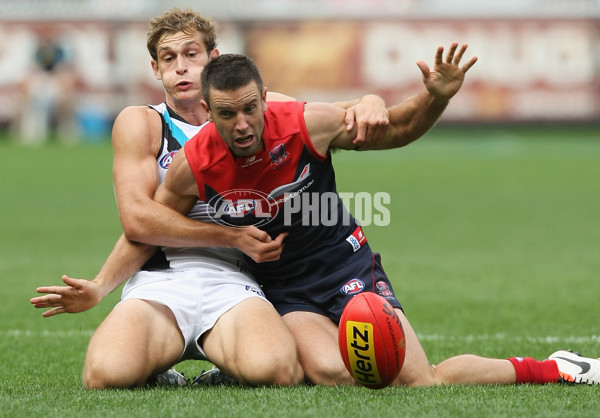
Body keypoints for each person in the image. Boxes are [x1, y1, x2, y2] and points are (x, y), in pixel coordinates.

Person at [154, 52, 600, 387]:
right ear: (208, 114)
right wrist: (222, 240)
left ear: (266, 99)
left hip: (343, 266)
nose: (243, 124)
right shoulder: (192, 165)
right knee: (335, 373)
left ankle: (553, 366)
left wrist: (435, 97)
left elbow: (399, 130)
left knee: (416, 381)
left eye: (250, 108)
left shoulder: (307, 124)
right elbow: (152, 223)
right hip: (283, 290)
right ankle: (242, 368)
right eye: (228, 114)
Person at [29, 7, 391, 389]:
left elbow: (326, 117)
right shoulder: (143, 121)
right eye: (169, 59)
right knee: (105, 375)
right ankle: (163, 374)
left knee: (278, 370)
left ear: (213, 59)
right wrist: (102, 286)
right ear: (155, 69)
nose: (181, 68)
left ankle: (222, 374)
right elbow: (137, 219)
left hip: (236, 278)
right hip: (160, 279)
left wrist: (369, 101)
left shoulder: (251, 113)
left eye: (191, 55)